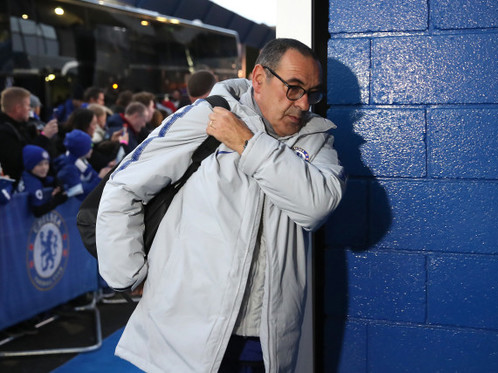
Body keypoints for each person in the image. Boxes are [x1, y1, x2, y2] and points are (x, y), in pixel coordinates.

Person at [96, 38, 345, 372]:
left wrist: (246, 143)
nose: (303, 104)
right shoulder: (209, 116)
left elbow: (316, 206)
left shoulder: (317, 139)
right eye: (294, 89)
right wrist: (126, 274)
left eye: (312, 93)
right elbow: (124, 187)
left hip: (263, 341)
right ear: (259, 79)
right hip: (185, 338)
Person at [0, 87, 58, 182]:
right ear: (18, 108)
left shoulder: (23, 126)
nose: (30, 109)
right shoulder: (4, 132)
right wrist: (44, 137)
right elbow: (21, 160)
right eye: (27, 105)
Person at [54, 129, 109, 200]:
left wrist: (103, 175)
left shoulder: (79, 159)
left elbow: (92, 175)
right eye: (89, 147)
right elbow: (80, 194)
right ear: (81, 151)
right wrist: (99, 178)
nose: (91, 149)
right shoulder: (69, 168)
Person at [17, 145, 67, 217]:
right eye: (39, 164)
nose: (44, 168)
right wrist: (57, 200)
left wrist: (57, 184)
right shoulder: (32, 183)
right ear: (30, 165)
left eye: (46, 163)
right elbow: (38, 211)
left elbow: (48, 180)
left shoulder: (29, 175)